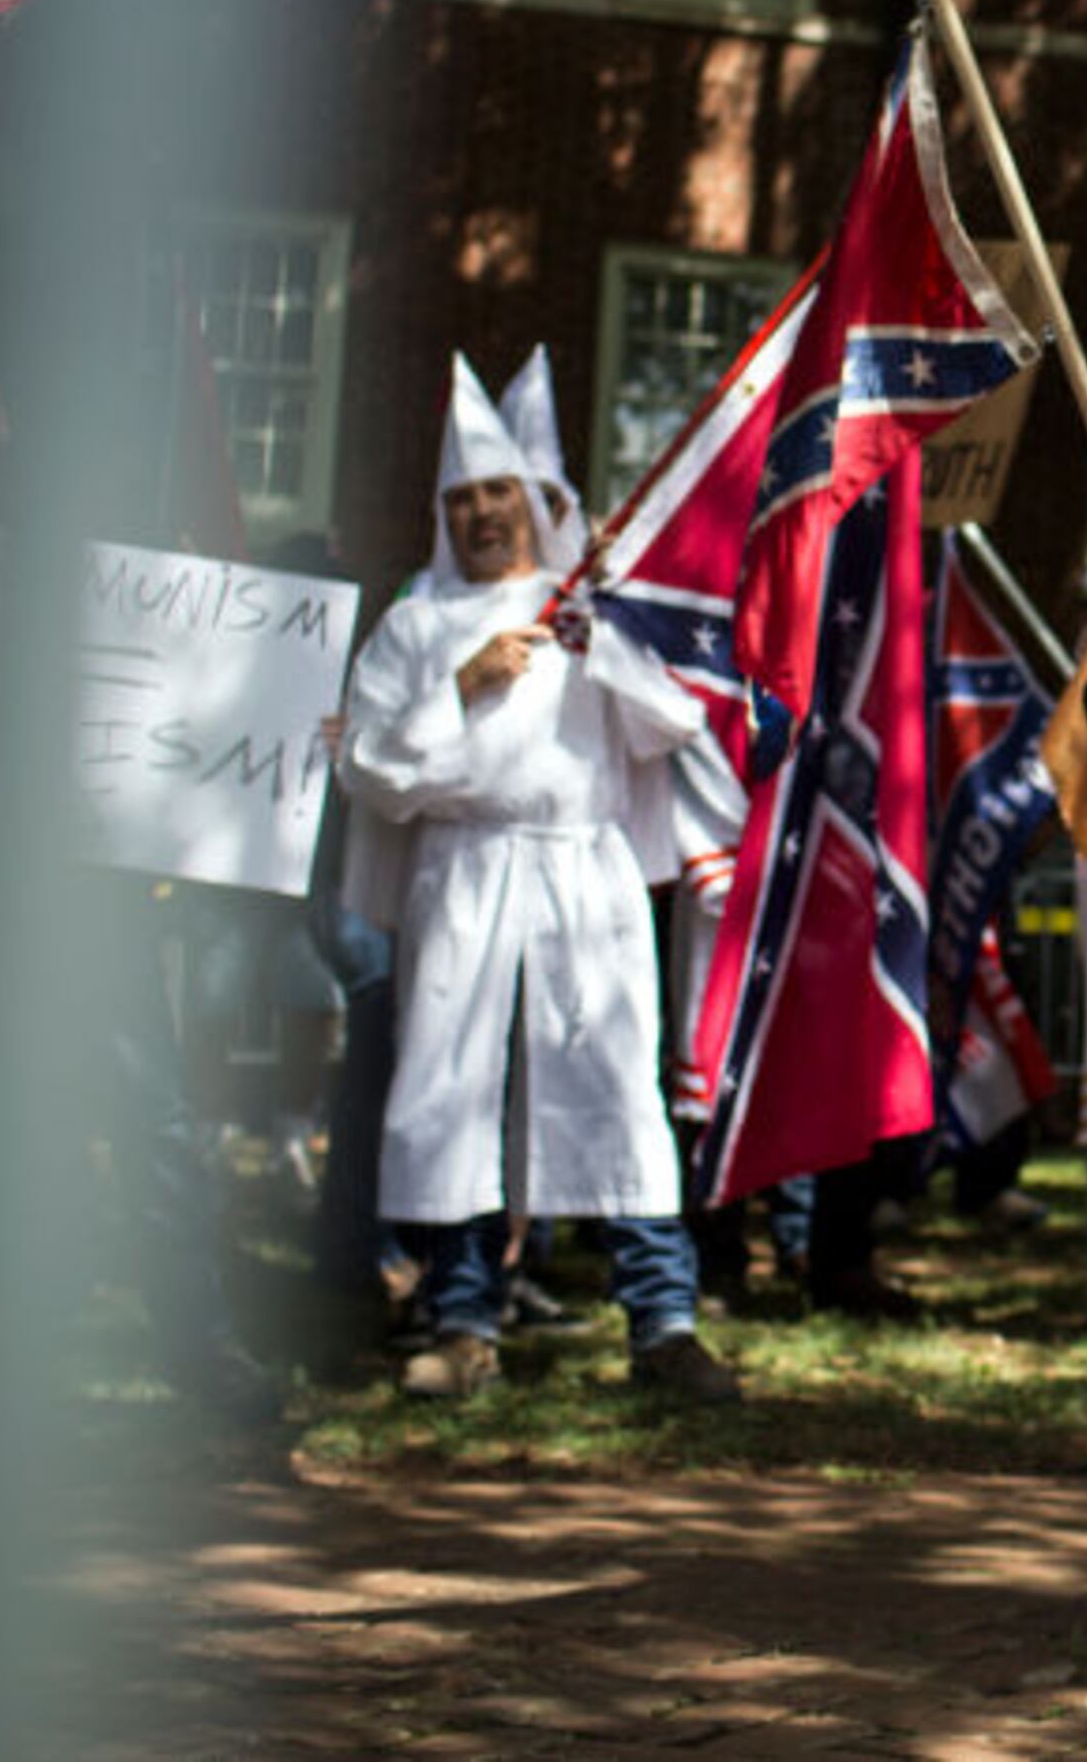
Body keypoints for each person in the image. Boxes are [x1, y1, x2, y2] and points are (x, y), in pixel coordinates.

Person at [337, 355, 737, 1403]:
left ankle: (663, 1320)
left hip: (581, 876)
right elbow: (371, 767)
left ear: (535, 500)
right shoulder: (415, 625)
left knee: (612, 1087)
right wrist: (460, 689)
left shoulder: (593, 608)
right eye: (462, 497)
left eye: (498, 492)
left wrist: (600, 640)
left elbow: (676, 720)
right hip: (463, 876)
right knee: (451, 1093)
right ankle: (464, 1314)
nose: (480, 512)